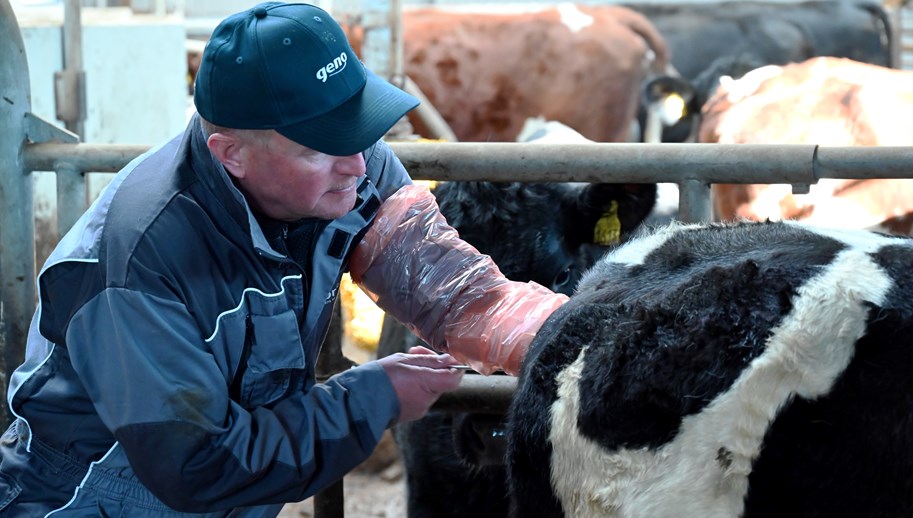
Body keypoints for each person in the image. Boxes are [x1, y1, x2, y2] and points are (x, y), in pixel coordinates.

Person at [0, 2, 568, 516]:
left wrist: (568, 337)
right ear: (234, 155)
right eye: (322, 146)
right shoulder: (140, 264)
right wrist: (371, 396)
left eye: (361, 125)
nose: (359, 165)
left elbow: (450, 289)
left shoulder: (349, 165)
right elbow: (201, 467)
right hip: (97, 501)